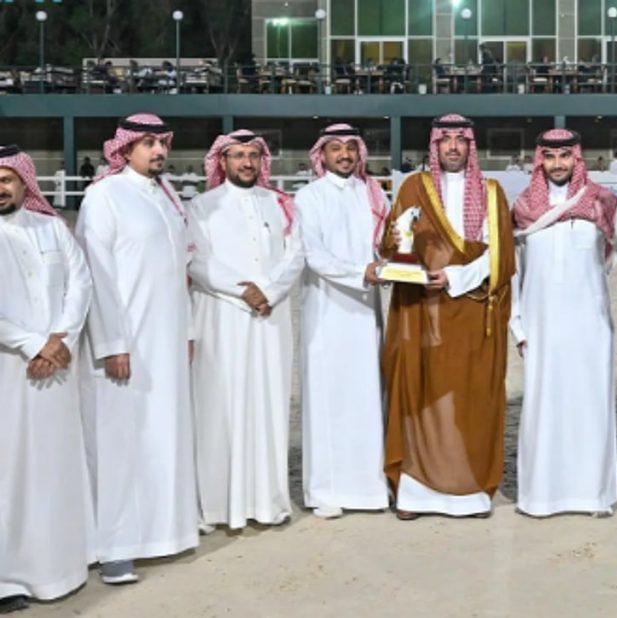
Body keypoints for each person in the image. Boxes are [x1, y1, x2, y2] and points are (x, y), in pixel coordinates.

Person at [76, 114, 198, 584]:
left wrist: (187, 332)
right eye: (147, 143)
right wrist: (112, 342)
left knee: (163, 435)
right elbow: (97, 274)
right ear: (124, 149)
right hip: (126, 343)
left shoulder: (167, 198)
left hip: (167, 342)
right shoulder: (105, 196)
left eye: (162, 142)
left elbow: (179, 274)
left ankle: (165, 532)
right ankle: (115, 548)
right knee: (119, 443)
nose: (158, 151)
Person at [380, 114, 515, 520]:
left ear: (470, 146)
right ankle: (415, 493)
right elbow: (392, 246)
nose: (453, 146)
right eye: (446, 139)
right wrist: (397, 242)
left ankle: (469, 493)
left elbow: (501, 255)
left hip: (471, 308)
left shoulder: (491, 193)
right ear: (434, 146)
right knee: (420, 391)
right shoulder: (413, 187)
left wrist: (455, 276)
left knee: (469, 393)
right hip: (421, 310)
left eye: (461, 139)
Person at [510, 129, 617, 517]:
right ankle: (539, 498)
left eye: (565, 156)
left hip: (590, 325)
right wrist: (518, 326)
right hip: (540, 326)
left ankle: (593, 495)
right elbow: (514, 273)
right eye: (550, 157)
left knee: (591, 405)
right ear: (540, 161)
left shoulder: (603, 203)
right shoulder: (523, 208)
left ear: (576, 159)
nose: (558, 164)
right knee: (542, 408)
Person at [187, 130, 304, 531]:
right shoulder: (201, 206)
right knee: (220, 406)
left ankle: (267, 502)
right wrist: (244, 293)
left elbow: (296, 255)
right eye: (237, 155)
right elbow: (197, 262)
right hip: (222, 317)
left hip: (271, 317)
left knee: (269, 404)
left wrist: (268, 291)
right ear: (222, 162)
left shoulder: (280, 204)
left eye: (253, 155)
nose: (247, 162)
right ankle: (218, 506)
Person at [0, 146, 93, 614]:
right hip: (9, 372)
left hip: (57, 369)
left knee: (54, 465)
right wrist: (35, 343)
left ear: (25, 183)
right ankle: (6, 577)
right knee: (8, 470)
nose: (0, 187)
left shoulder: (52, 227)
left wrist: (62, 339)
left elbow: (80, 284)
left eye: (6, 178)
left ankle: (61, 565)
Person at [294, 124, 391, 518]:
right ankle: (325, 491)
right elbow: (311, 254)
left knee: (367, 395)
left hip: (367, 312)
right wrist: (359, 273)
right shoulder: (309, 196)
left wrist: (391, 264)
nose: (345, 155)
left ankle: (371, 488)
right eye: (336, 148)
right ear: (322, 155)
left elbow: (390, 245)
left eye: (351, 147)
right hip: (327, 311)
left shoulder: (373, 194)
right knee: (327, 398)